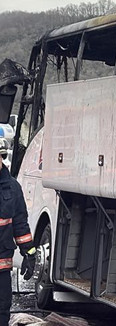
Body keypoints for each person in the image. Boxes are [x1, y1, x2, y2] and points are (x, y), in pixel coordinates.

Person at [0, 139, 35, 326]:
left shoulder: (13, 188)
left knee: (2, 310)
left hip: (1, 270)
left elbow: (20, 224)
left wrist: (29, 254)